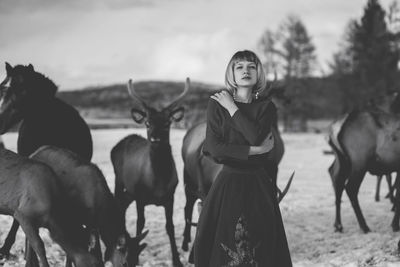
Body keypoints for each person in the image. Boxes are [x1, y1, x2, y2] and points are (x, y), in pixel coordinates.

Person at [194, 50, 292, 266]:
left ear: (259, 74)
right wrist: (255, 152)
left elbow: (255, 135)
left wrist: (232, 107)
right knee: (223, 249)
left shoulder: (266, 107)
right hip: (227, 185)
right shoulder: (216, 104)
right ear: (232, 73)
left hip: (258, 186)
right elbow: (213, 149)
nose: (246, 71)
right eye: (239, 67)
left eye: (251, 66)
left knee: (261, 249)